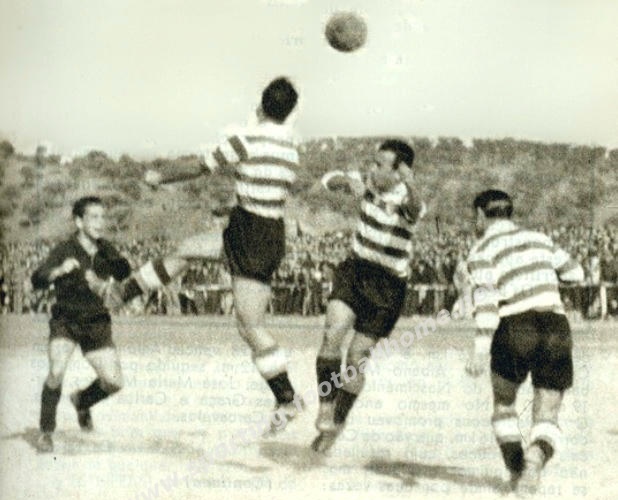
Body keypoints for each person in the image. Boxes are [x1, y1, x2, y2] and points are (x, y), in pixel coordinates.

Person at [110, 77, 303, 431]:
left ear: (261, 105)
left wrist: (159, 177)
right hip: (259, 230)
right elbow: (260, 186)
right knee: (187, 250)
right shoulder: (290, 146)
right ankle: (124, 292)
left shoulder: (247, 140)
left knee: (250, 326)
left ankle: (288, 398)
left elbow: (200, 167)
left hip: (252, 235)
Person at [465, 189, 584, 494]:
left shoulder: (480, 251)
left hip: (515, 326)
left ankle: (516, 468)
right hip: (555, 325)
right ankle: (535, 457)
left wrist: (480, 350)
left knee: (504, 403)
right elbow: (576, 273)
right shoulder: (539, 239)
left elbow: (487, 304)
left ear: (480, 215)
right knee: (548, 412)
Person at [311, 140, 425, 453]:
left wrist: (410, 183)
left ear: (399, 172)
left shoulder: (408, 199)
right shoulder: (367, 183)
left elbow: (415, 209)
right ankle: (326, 406)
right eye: (372, 163)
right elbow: (328, 180)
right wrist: (345, 181)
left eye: (379, 165)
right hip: (355, 271)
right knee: (332, 334)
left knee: (356, 359)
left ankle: (338, 421)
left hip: (387, 286)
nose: (372, 169)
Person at [32, 196, 131, 453]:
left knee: (114, 382)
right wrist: (58, 271)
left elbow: (124, 271)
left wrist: (112, 267)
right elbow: (37, 279)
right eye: (94, 217)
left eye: (102, 217)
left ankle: (82, 401)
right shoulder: (64, 250)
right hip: (66, 321)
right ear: (79, 221)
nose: (100, 222)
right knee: (56, 371)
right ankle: (46, 432)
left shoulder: (105, 248)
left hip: (96, 323)